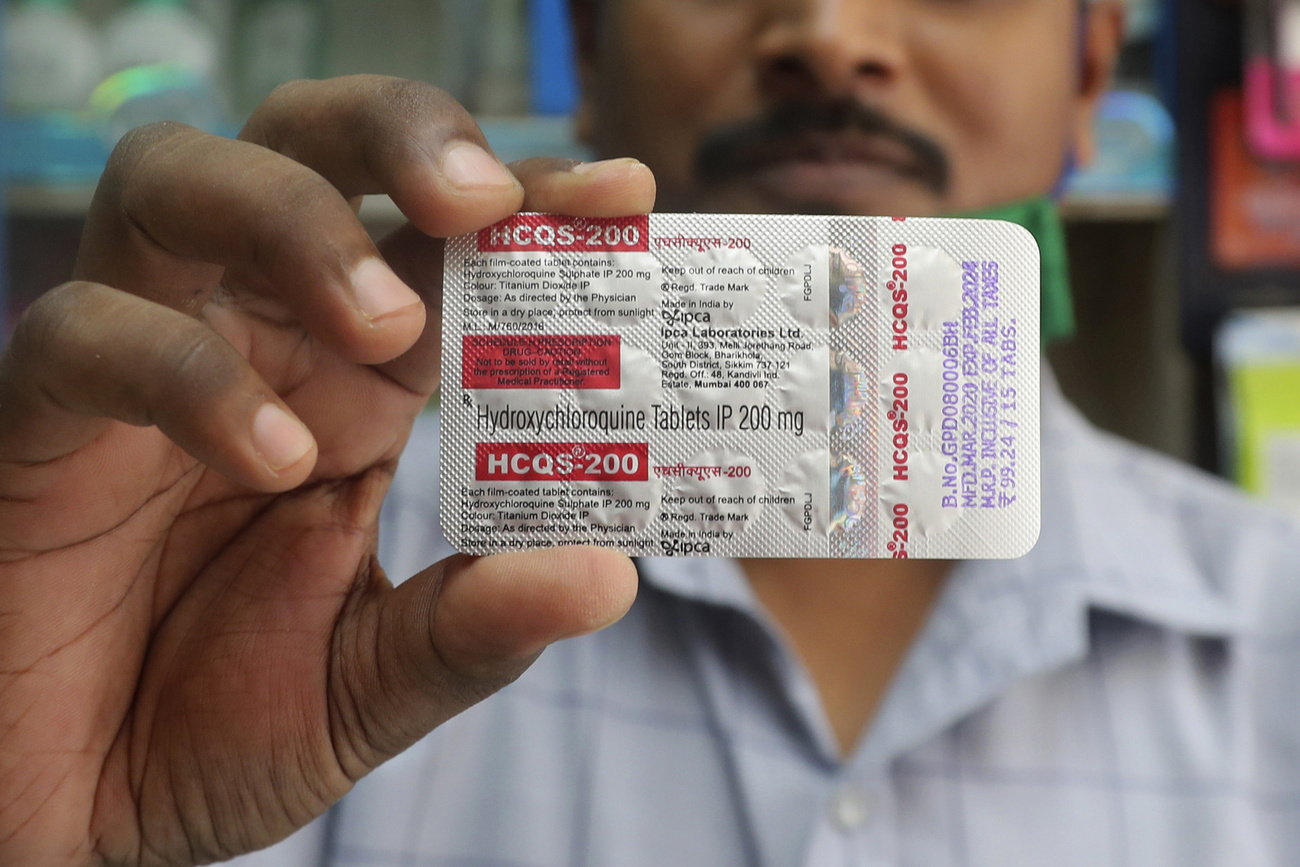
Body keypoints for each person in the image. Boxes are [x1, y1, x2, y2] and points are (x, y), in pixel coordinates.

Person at [2, 0, 1299, 865]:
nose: (831, 35)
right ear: (588, 51)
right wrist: (51, 817)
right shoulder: (269, 583)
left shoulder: (1279, 644)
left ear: (1088, 74)